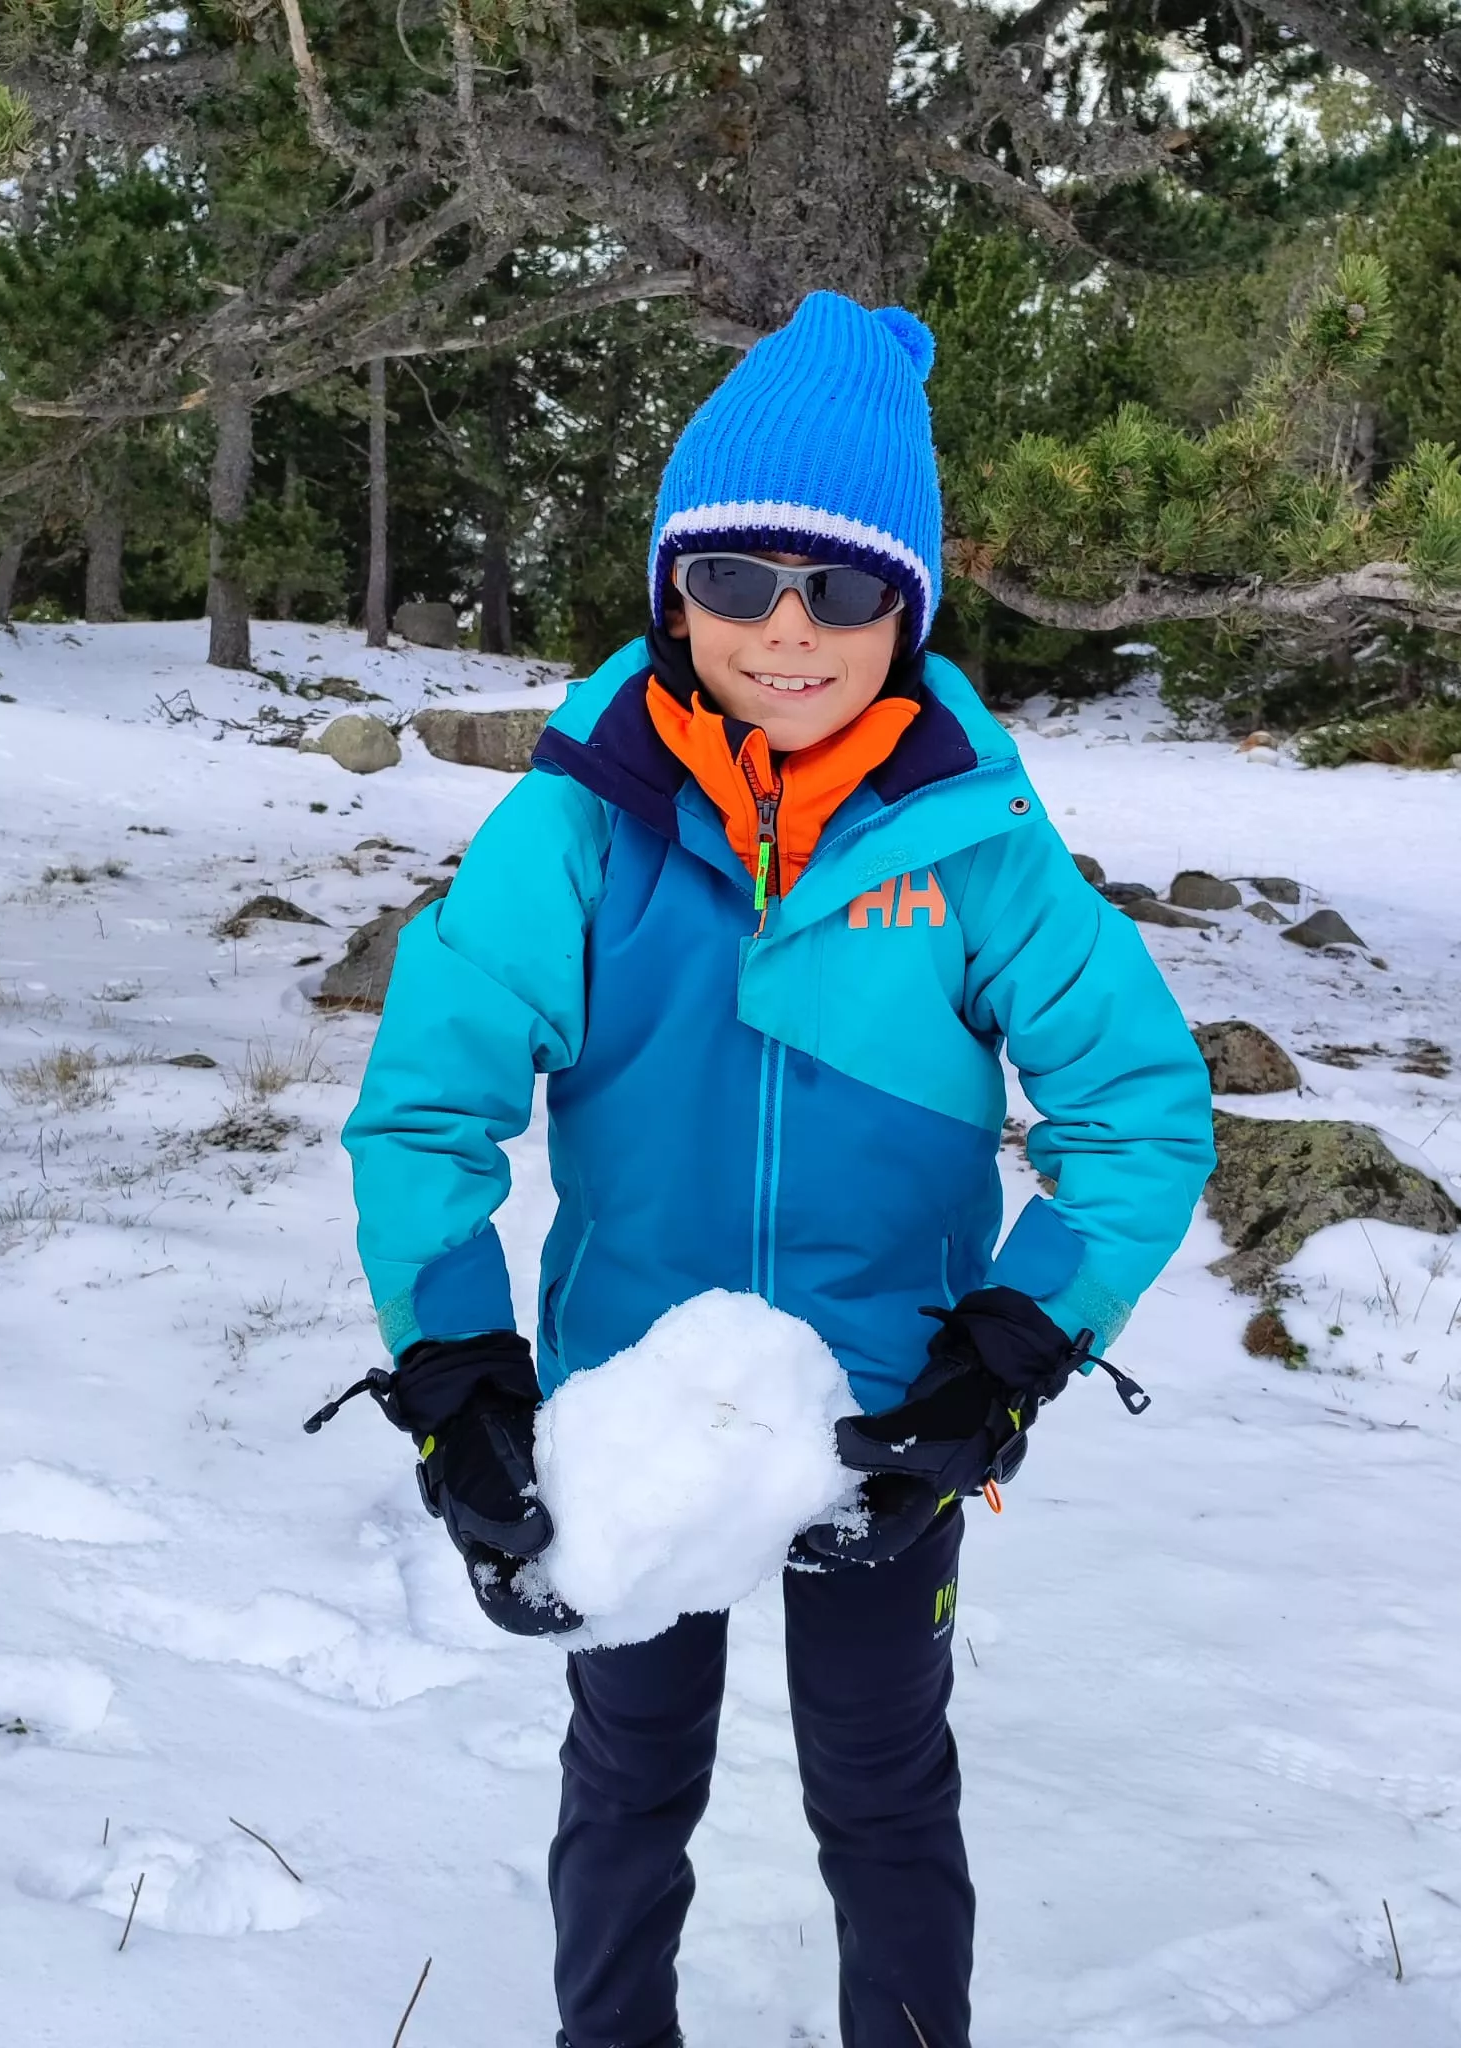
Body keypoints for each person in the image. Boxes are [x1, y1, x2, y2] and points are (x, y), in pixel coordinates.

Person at [322, 291, 1215, 2048]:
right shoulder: (579, 822)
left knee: (883, 1790)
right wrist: (454, 1365)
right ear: (672, 590)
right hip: (630, 1414)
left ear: (911, 607)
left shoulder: (982, 847)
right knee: (628, 1776)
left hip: (888, 1425)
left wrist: (1016, 1347)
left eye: (844, 587)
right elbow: (428, 1102)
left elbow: (1140, 1110)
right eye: (736, 578)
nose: (786, 629)